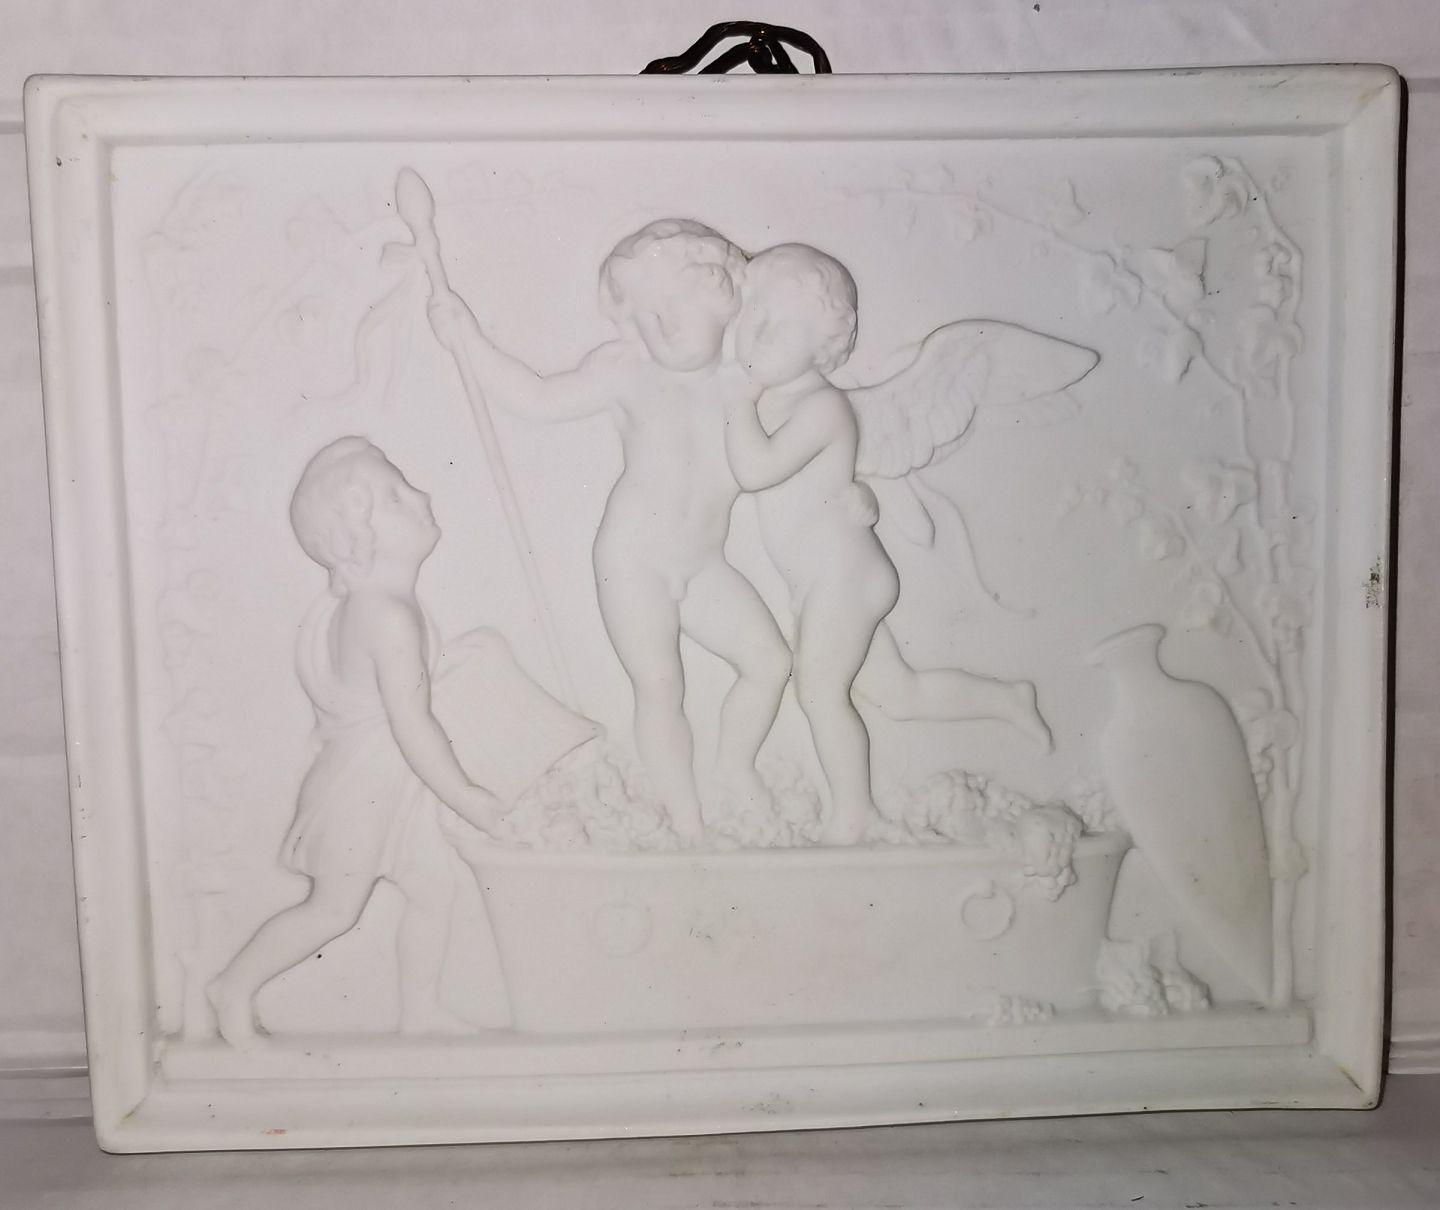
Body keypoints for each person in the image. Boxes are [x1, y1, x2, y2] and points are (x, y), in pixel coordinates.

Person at [426, 220, 792, 837]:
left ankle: (734, 766)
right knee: (661, 686)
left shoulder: (747, 378)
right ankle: (687, 821)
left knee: (770, 661)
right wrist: (467, 338)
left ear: (723, 296)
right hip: (633, 562)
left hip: (703, 564)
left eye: (675, 307)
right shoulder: (628, 371)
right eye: (646, 315)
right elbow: (538, 398)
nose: (661, 327)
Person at [723, 244, 1050, 844]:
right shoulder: (779, 401)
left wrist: (735, 399)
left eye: (781, 326)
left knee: (819, 694)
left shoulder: (822, 407)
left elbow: (754, 470)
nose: (758, 335)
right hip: (827, 580)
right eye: (753, 317)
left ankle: (855, 815)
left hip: (843, 577)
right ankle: (1008, 700)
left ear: (823, 343)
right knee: (898, 694)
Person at [207, 438, 512, 1047]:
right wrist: (466, 796)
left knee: (435, 888)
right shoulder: (388, 615)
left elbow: (398, 693)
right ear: (357, 534)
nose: (420, 496)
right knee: (335, 909)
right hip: (362, 789)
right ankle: (232, 988)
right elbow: (410, 722)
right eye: (395, 496)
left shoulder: (383, 607)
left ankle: (420, 1010)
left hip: (390, 785)